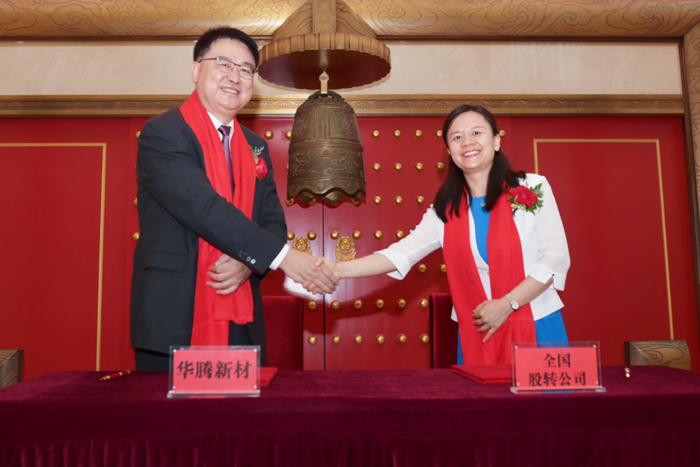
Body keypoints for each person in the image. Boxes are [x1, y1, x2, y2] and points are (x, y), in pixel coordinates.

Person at [130, 27, 338, 371]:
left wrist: (249, 264)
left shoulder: (256, 146)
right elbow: (202, 207)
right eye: (223, 64)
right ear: (196, 70)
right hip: (174, 313)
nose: (235, 76)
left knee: (237, 408)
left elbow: (272, 223)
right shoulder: (163, 132)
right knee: (165, 408)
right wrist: (284, 258)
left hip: (239, 315)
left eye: (245, 69)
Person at [314, 105, 570, 365]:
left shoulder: (532, 187)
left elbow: (555, 260)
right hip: (480, 330)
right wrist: (337, 270)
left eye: (476, 133)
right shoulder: (445, 210)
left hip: (537, 323)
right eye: (457, 137)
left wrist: (507, 304)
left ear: (496, 141)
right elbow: (399, 254)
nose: (467, 142)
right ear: (449, 152)